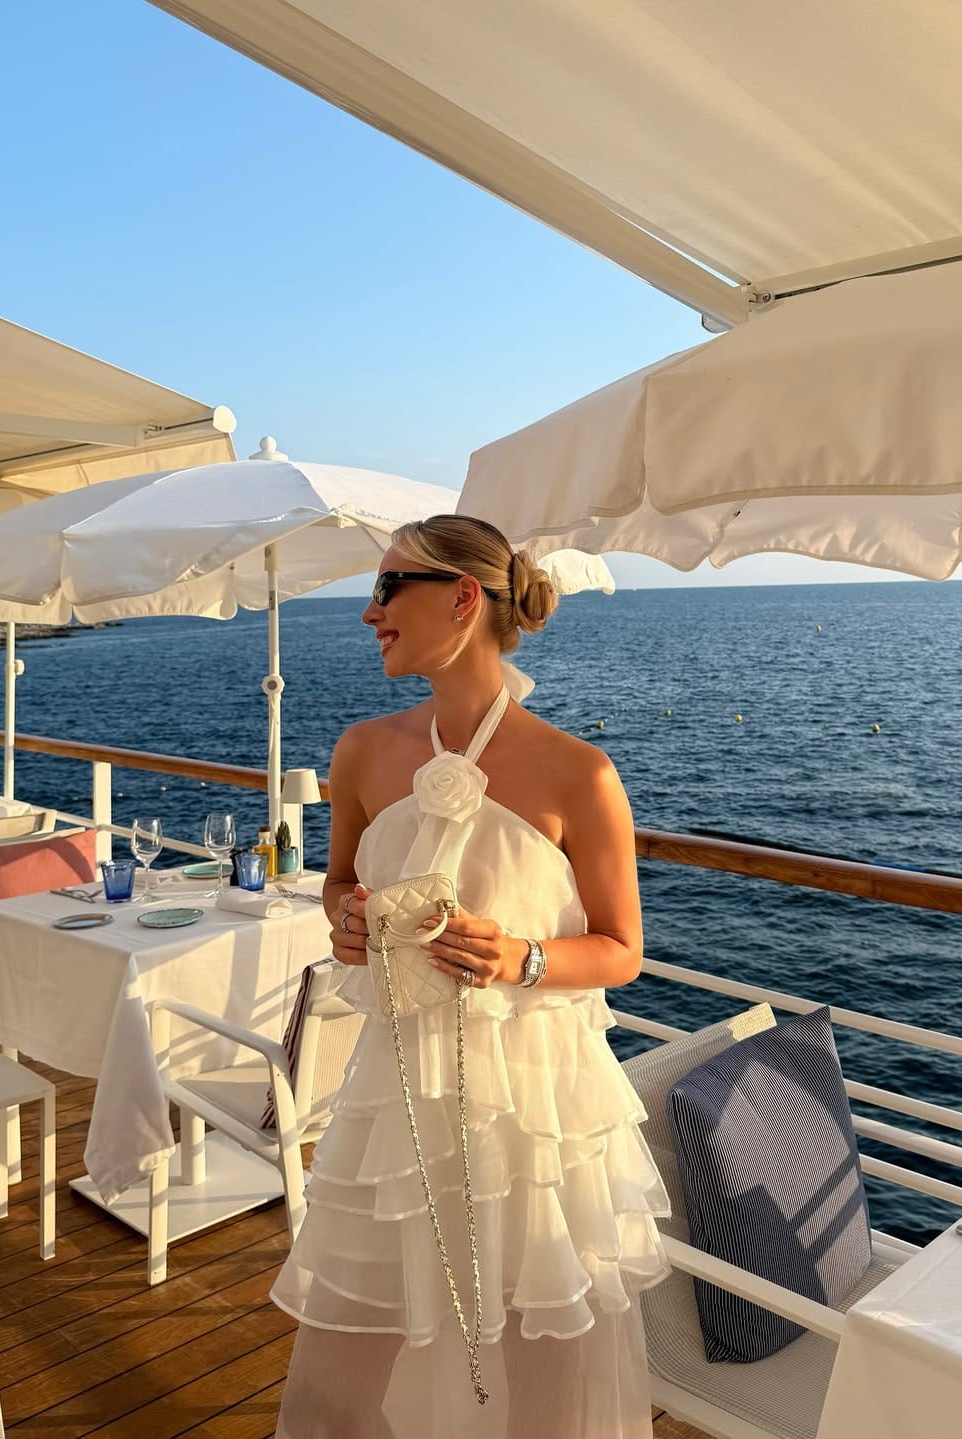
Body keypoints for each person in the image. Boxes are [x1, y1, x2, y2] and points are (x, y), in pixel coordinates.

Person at [273, 515, 669, 1438]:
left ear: (461, 598)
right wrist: (344, 919)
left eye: (385, 588)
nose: (368, 612)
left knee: (544, 1392)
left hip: (536, 1114)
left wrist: (519, 957)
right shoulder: (363, 752)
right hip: (396, 1100)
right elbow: (341, 887)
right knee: (336, 1377)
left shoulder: (581, 773)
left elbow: (621, 949)